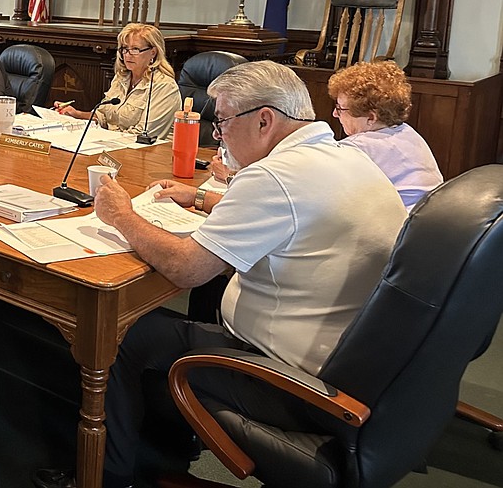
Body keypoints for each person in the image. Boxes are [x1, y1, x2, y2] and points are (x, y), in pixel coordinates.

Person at [33, 61, 407, 488]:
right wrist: (204, 199)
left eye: (224, 121)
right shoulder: (345, 156)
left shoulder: (275, 176)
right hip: (352, 367)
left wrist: (121, 216)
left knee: (122, 337)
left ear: (264, 120)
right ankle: (167, 453)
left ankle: (109, 476)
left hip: (292, 379)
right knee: (168, 328)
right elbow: (291, 220)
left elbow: (187, 268)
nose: (217, 133)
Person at [328, 59, 442, 210]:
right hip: (428, 221)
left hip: (399, 228)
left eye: (341, 108)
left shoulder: (357, 147)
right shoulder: (407, 132)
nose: (335, 114)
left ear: (371, 117)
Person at [54, 23, 181, 140]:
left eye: (135, 49)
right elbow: (102, 117)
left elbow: (143, 135)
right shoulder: (122, 77)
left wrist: (103, 139)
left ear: (153, 52)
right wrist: (76, 114)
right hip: (113, 145)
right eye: (125, 49)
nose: (127, 55)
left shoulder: (165, 87)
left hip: (146, 155)